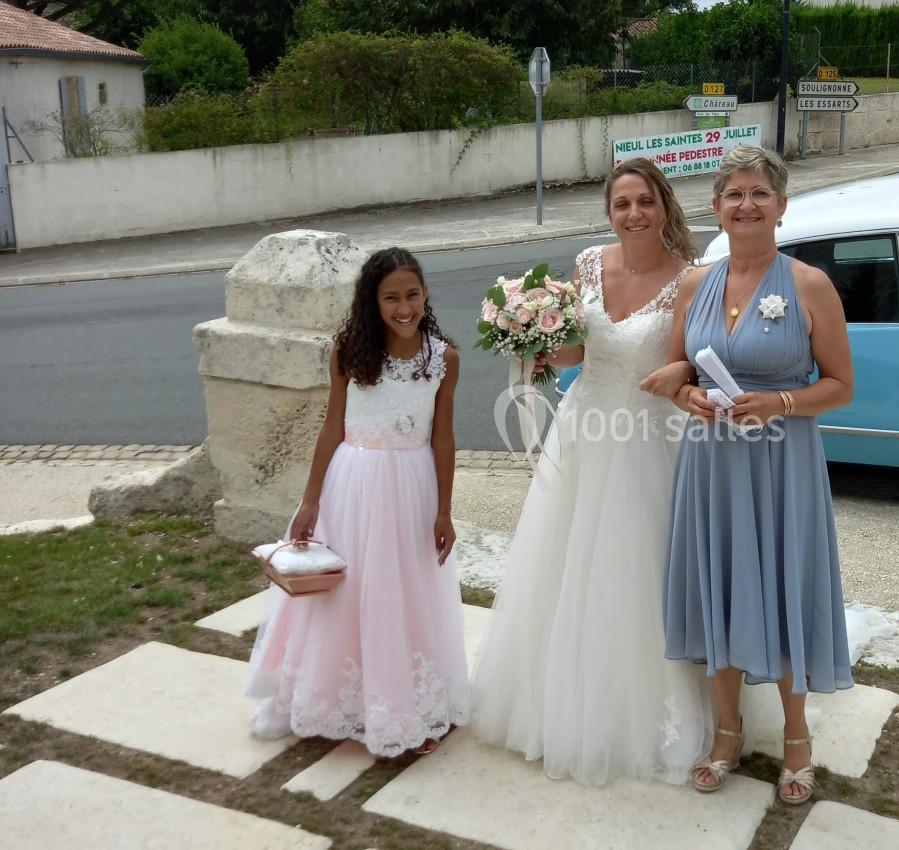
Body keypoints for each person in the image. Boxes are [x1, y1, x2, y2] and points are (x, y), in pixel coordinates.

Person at [470, 158, 713, 786]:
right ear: (609, 212)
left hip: (646, 435)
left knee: (639, 567)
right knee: (565, 560)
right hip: (582, 428)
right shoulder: (586, 265)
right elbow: (579, 349)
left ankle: (649, 706)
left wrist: (680, 380)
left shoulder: (689, 280)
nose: (633, 214)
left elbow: (686, 366)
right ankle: (562, 699)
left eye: (644, 202)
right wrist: (531, 339)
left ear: (664, 206)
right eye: (621, 204)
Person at [661, 145, 856, 805]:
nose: (746, 205)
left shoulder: (809, 285)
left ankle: (797, 739)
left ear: (780, 206)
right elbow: (678, 371)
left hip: (781, 463)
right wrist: (687, 395)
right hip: (712, 460)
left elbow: (842, 386)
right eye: (734, 194)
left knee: (783, 588)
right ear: (715, 208)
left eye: (758, 193)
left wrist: (780, 401)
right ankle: (726, 731)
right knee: (720, 585)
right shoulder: (694, 282)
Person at [245, 247, 470, 758]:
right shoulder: (349, 351)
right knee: (349, 595)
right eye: (390, 297)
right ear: (372, 302)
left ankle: (407, 706)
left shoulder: (444, 359)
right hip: (353, 483)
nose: (403, 306)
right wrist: (310, 500)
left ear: (426, 293)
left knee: (404, 595)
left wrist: (443, 510)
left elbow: (443, 438)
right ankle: (338, 700)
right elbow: (331, 428)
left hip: (412, 487)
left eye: (412, 294)